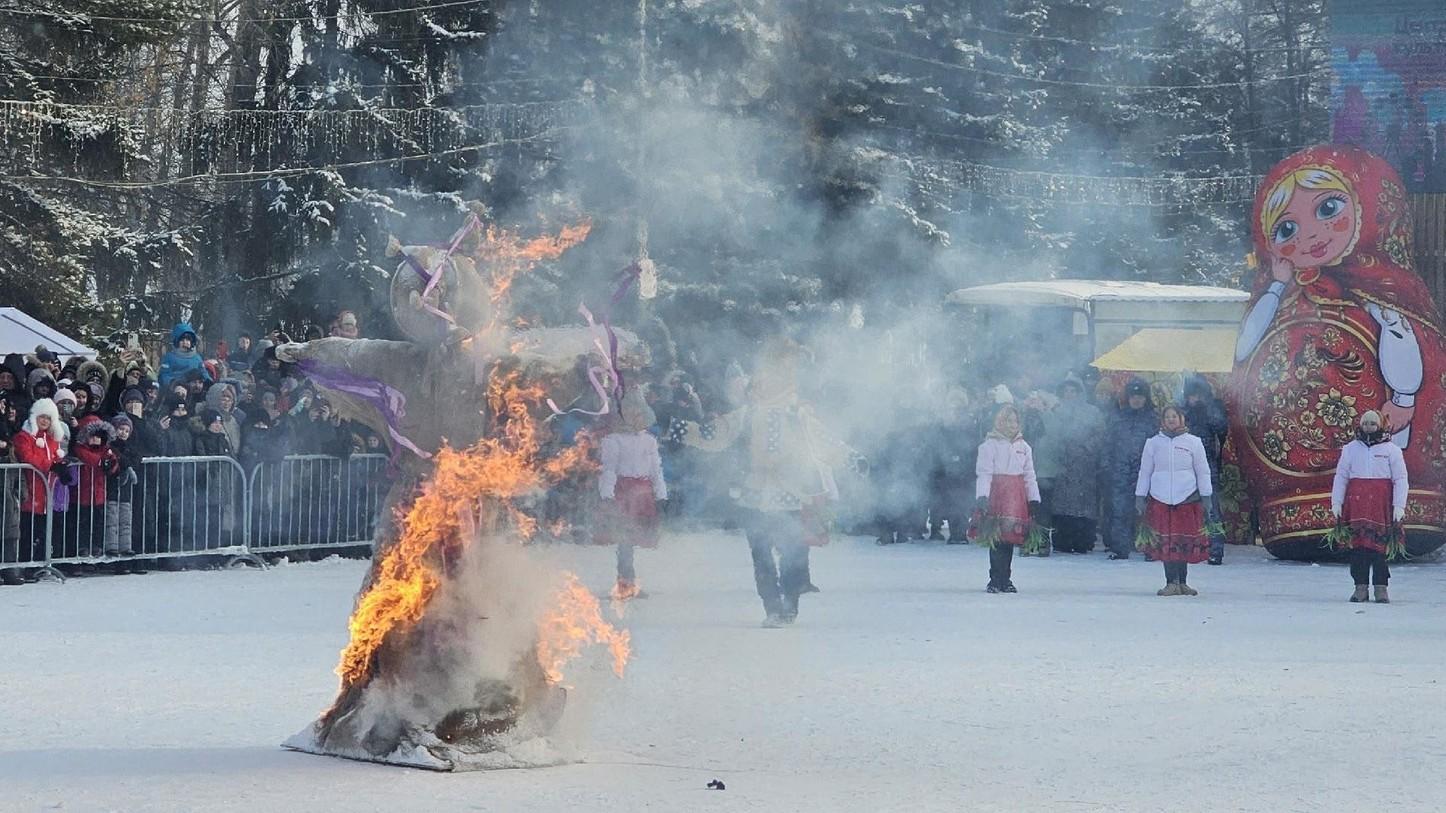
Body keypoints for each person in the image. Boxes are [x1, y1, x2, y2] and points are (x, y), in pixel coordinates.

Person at [1227, 146, 1446, 560]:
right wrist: (1277, 285)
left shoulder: (1386, 290)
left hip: (1388, 438)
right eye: (1287, 229)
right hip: (1291, 475)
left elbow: (1401, 337)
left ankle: (1389, 530)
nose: (1309, 235)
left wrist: (1403, 399)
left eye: (1328, 209)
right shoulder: (1278, 295)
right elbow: (1245, 349)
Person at [669, 337, 863, 627]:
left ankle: (789, 605)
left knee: (792, 551)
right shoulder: (748, 414)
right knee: (761, 553)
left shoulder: (797, 415)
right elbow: (718, 433)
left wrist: (850, 457)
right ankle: (772, 606)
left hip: (792, 493)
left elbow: (823, 439)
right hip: (756, 493)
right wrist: (684, 430)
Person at [1135, 405, 1215, 596]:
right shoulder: (1153, 443)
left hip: (1187, 498)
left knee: (1182, 542)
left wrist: (1206, 496)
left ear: (1181, 419)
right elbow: (1145, 472)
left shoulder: (1194, 442)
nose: (1171, 419)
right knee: (1167, 543)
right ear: (1162, 420)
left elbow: (1203, 471)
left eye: (1174, 416)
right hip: (1160, 499)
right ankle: (1171, 582)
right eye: (1167, 417)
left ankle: (1183, 583)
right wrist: (1140, 496)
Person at [596, 387, 667, 601]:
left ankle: (628, 582)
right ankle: (625, 583)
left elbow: (656, 469)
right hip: (623, 492)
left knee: (632, 538)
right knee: (624, 539)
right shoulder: (613, 440)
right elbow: (609, 469)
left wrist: (661, 494)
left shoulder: (649, 440)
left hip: (642, 492)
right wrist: (607, 495)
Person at [1330, 411, 1407, 603]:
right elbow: (1341, 477)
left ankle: (1381, 589)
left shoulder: (1392, 450)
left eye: (1373, 423)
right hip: (1356, 505)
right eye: (1366, 423)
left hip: (1381, 506)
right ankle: (1360, 588)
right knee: (1359, 549)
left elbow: (1400, 479)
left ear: (1380, 425)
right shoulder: (1350, 449)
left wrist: (1399, 505)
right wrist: (1336, 502)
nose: (1369, 427)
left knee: (1379, 550)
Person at [972, 404, 1041, 593]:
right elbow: (984, 473)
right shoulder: (989, 446)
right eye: (1008, 421)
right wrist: (983, 496)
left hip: (1016, 495)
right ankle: (995, 578)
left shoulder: (1024, 447)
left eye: (1015, 421)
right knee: (997, 537)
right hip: (998, 493)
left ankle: (1006, 578)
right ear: (1000, 422)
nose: (1012, 425)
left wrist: (1033, 499)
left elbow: (1029, 475)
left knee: (1010, 537)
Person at [1037, 373, 1103, 554]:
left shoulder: (1092, 411)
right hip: (1062, 465)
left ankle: (1083, 541)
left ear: (1080, 392)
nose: (1069, 394)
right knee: (1062, 507)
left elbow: (1100, 435)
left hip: (1084, 465)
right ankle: (1062, 540)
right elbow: (1050, 435)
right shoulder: (1055, 411)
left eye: (1073, 391)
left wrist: (1086, 448)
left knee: (1084, 508)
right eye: (1066, 391)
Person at [1104, 377, 1157, 559]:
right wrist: (1106, 467)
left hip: (1146, 473)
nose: (1136, 400)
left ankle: (1149, 547)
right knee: (1120, 511)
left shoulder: (1154, 420)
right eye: (1133, 396)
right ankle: (1120, 548)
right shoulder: (1117, 418)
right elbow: (1107, 444)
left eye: (1140, 396)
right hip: (1120, 473)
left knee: (1148, 512)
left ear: (1146, 398)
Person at [1181, 374, 1229, 564]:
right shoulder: (1182, 413)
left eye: (1199, 395)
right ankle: (1187, 547)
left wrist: (1209, 409)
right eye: (1193, 395)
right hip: (1184, 467)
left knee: (1211, 510)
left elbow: (1222, 430)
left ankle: (1216, 549)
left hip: (1207, 467)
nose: (1196, 399)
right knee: (1184, 509)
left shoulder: (1211, 411)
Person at [13, 399, 64, 566]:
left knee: (43, 534)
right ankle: (26, 565)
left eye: (48, 418)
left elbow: (56, 457)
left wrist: (62, 467)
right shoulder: (24, 436)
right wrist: (51, 465)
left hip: (47, 496)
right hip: (30, 492)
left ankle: (40, 564)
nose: (45, 421)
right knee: (27, 533)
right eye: (42, 416)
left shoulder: (51, 439)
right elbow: (27, 457)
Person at [72, 421, 119, 558]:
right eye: (92, 436)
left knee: (98, 523)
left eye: (98, 437)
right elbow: (85, 456)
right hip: (82, 495)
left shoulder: (106, 450)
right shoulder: (80, 448)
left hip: (98, 494)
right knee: (83, 523)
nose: (95, 439)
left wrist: (111, 465)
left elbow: (113, 463)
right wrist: (101, 462)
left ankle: (96, 547)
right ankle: (82, 547)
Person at [105, 413, 141, 564]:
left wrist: (129, 463)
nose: (123, 433)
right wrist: (127, 464)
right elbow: (118, 458)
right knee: (112, 517)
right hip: (112, 488)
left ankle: (126, 546)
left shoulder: (130, 447)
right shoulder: (109, 446)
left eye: (127, 431)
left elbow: (137, 459)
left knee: (125, 518)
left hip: (125, 491)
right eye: (121, 429)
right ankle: (111, 546)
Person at [159, 322, 212, 390]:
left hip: (195, 388)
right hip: (176, 389)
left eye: (187, 340)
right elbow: (164, 375)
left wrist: (208, 381)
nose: (185, 343)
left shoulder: (197, 358)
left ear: (192, 342)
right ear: (176, 342)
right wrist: (173, 383)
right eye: (182, 340)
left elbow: (203, 372)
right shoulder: (170, 357)